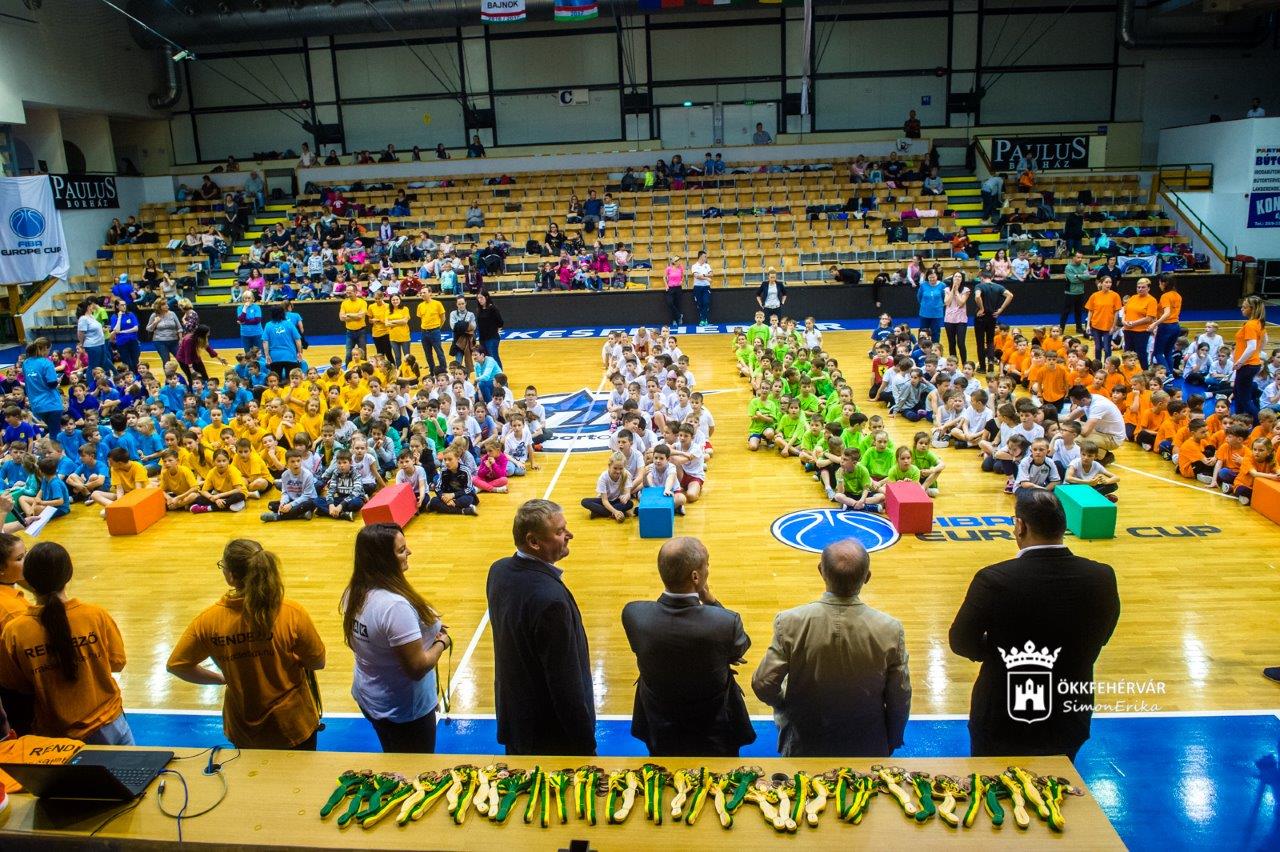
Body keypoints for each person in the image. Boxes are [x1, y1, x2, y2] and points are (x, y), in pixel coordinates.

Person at [949, 490, 1120, 761]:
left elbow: (960, 641)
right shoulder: (1102, 576)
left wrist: (999, 653)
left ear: (1020, 526)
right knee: (1056, 794)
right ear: (1064, 525)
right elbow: (1102, 634)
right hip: (1070, 709)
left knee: (993, 794)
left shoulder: (993, 579)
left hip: (1001, 711)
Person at [752, 539, 910, 757]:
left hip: (805, 743)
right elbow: (899, 697)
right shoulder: (891, 629)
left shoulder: (789, 622)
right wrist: (893, 737)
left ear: (821, 571)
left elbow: (763, 684)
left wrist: (784, 703)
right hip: (867, 745)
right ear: (867, 577)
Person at [167, 539, 326, 749]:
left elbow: (177, 665)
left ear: (231, 576)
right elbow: (317, 662)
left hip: (245, 727)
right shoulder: (291, 612)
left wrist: (221, 679)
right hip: (293, 723)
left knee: (253, 782)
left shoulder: (209, 621)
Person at [620, 537, 753, 757]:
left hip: (658, 723)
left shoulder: (634, 614)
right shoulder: (725, 622)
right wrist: (711, 602)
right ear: (695, 576)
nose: (708, 569)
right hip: (714, 725)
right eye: (706, 564)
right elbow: (740, 647)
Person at [486, 499, 595, 756]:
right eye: (559, 532)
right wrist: (585, 745)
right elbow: (564, 681)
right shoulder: (550, 600)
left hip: (516, 719)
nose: (569, 535)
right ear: (534, 542)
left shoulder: (498, 570)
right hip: (552, 737)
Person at [0, 542, 133, 744]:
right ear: (68, 574)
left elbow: (17, 685)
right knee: (134, 776)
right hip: (109, 723)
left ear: (29, 578)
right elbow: (117, 662)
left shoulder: (15, 630)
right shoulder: (95, 615)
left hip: (55, 736)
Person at [341, 524, 451, 753]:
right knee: (416, 773)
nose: (409, 552)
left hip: (371, 696)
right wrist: (442, 642)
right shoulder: (394, 607)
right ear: (383, 560)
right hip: (403, 709)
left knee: (392, 753)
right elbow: (417, 667)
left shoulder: (354, 591)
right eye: (401, 550)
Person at [1233, 295, 1267, 421]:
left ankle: (1260, 422)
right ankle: (1239, 420)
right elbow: (1265, 340)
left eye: (1244, 307)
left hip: (1247, 365)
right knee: (1237, 394)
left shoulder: (1251, 325)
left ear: (1251, 309)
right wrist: (1256, 355)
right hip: (1251, 364)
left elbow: (1252, 346)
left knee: (1244, 398)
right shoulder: (1259, 323)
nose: (1241, 308)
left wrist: (1240, 362)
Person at [21, 338, 63, 436]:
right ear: (44, 348)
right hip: (51, 404)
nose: (49, 353)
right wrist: (57, 381)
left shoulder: (26, 363)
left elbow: (28, 382)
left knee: (46, 432)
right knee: (55, 434)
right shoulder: (46, 362)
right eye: (49, 350)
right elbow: (52, 383)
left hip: (36, 405)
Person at [972, 271, 1013, 372]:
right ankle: (991, 361)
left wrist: (981, 308)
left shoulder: (979, 286)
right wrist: (1001, 309)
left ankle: (982, 367)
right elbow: (1010, 295)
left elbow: (977, 296)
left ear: (982, 277)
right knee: (990, 341)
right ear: (991, 277)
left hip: (980, 317)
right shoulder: (998, 287)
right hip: (992, 316)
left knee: (980, 342)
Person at [1120, 277, 1158, 369]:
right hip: (1128, 330)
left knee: (1141, 353)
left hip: (1141, 332)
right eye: (1138, 287)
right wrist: (1123, 321)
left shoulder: (1151, 300)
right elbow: (1125, 311)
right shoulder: (1133, 298)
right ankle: (1126, 372)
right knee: (1127, 353)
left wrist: (1133, 323)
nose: (1140, 289)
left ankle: (1145, 372)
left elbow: (1149, 318)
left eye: (1143, 287)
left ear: (1148, 288)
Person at [1085, 274, 1123, 361]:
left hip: (1108, 326)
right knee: (1098, 348)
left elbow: (1116, 312)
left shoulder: (1115, 296)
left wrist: (1113, 326)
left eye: (1110, 282)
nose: (1108, 284)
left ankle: (1107, 364)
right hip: (1096, 326)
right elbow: (1090, 311)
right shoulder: (1094, 295)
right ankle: (1097, 365)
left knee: (1107, 348)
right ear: (1101, 283)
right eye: (1106, 282)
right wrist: (1088, 325)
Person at [1151, 275, 1184, 374]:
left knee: (1158, 353)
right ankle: (1171, 374)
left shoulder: (1165, 296)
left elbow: (1167, 313)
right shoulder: (1178, 295)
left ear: (1164, 283)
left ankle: (1167, 374)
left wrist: (1155, 324)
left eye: (1160, 283)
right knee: (1168, 352)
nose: (1159, 285)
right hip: (1176, 326)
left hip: (1166, 326)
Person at [263, 306, 302, 382]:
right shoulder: (289, 324)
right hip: (290, 356)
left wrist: (267, 355)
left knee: (277, 381)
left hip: (275, 357)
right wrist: (299, 352)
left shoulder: (268, 325)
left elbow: (265, 342)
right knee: (291, 380)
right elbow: (297, 339)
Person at [76, 300, 111, 378]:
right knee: (93, 366)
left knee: (101, 364)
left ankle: (101, 381)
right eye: (92, 305)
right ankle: (91, 384)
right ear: (88, 307)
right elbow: (80, 333)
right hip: (92, 345)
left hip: (100, 343)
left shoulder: (91, 316)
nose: (94, 306)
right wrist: (83, 343)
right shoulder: (83, 318)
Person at [942, 272, 970, 364]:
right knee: (951, 343)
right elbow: (947, 302)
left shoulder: (966, 290)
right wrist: (952, 290)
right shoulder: (946, 289)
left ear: (962, 279)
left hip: (961, 319)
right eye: (955, 276)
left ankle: (964, 363)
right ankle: (953, 364)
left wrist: (957, 291)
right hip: (949, 319)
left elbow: (961, 303)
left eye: (959, 277)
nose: (957, 278)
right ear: (952, 278)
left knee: (961, 343)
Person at [416, 293, 447, 375]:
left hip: (435, 331)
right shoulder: (420, 306)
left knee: (439, 352)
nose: (422, 294)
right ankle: (432, 371)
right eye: (421, 293)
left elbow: (443, 318)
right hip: (424, 332)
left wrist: (437, 328)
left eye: (424, 292)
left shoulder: (437, 304)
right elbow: (421, 318)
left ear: (430, 293)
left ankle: (443, 370)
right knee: (428, 354)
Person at [147, 297, 183, 367]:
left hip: (174, 341)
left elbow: (179, 328)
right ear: (159, 306)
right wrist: (155, 322)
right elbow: (148, 329)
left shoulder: (172, 314)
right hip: (160, 342)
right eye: (164, 304)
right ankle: (169, 377)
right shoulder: (154, 315)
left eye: (166, 304)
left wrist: (181, 339)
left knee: (181, 360)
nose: (167, 306)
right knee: (166, 362)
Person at [1061, 251, 1091, 335]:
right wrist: (1082, 277)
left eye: (1081, 257)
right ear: (1073, 258)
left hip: (1080, 292)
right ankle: (1061, 328)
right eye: (1078, 257)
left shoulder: (1084, 266)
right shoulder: (1068, 267)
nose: (1080, 259)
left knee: (1078, 311)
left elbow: (1088, 277)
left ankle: (1079, 328)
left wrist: (1078, 276)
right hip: (1070, 293)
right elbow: (1072, 280)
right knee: (1066, 311)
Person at [475, 289, 504, 366]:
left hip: (492, 338)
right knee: (486, 358)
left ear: (486, 297)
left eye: (481, 298)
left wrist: (494, 330)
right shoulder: (479, 310)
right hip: (482, 338)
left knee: (493, 357)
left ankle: (499, 376)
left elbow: (500, 322)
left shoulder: (493, 309)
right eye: (478, 298)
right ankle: (490, 375)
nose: (479, 300)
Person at [690, 250, 713, 327]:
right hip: (697, 287)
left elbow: (711, 274)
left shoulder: (707, 265)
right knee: (700, 304)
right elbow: (696, 276)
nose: (706, 258)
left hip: (706, 287)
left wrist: (703, 275)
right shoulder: (694, 266)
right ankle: (704, 320)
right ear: (700, 257)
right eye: (705, 256)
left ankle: (703, 320)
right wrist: (706, 278)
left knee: (706, 302)